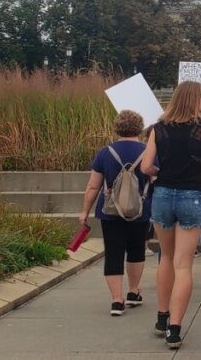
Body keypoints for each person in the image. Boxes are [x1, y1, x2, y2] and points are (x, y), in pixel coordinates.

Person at [141, 81, 201, 350]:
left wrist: (160, 174)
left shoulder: (159, 127)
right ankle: (174, 329)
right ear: (192, 99)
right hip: (192, 195)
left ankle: (162, 317)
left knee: (166, 257)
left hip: (163, 194)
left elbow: (145, 165)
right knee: (183, 264)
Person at [78, 110, 151, 316]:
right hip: (140, 210)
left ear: (117, 127)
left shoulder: (105, 152)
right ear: (140, 128)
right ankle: (133, 292)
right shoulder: (147, 151)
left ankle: (116, 300)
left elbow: (93, 186)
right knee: (136, 250)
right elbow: (154, 181)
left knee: (113, 253)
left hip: (110, 211)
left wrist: (85, 211)